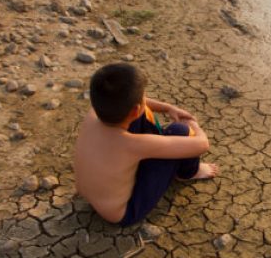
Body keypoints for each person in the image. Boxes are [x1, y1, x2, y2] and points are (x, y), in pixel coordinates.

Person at [74, 63, 218, 226]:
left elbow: (135, 104)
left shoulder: (94, 113)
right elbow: (202, 144)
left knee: (134, 113)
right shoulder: (133, 145)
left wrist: (168, 108)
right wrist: (193, 125)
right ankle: (189, 172)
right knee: (180, 130)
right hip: (124, 213)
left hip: (90, 195)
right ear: (135, 109)